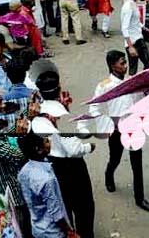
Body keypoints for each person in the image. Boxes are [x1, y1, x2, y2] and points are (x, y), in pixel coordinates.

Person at [31, 71, 95, 238]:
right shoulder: (63, 115)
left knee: (63, 206)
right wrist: (89, 147)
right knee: (84, 208)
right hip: (72, 167)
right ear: (59, 89)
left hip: (52, 165)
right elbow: (74, 149)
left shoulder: (37, 113)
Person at [91, 50, 149, 212]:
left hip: (133, 129)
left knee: (137, 165)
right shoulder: (104, 86)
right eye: (122, 63)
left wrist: (146, 91)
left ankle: (139, 198)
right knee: (115, 159)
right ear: (113, 66)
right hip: (116, 130)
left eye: (125, 62)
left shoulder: (131, 81)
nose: (126, 66)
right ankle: (109, 175)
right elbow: (94, 107)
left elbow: (140, 100)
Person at [17, 133, 79, 238]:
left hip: (37, 229)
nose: (49, 142)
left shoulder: (23, 172)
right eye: (46, 141)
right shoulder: (46, 180)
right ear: (39, 149)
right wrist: (70, 232)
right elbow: (57, 214)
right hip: (53, 232)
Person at [121, 0, 149, 75]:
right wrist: (130, 46)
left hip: (138, 38)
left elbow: (137, 23)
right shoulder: (129, 7)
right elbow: (124, 28)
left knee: (146, 64)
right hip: (134, 41)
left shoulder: (133, 4)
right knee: (134, 68)